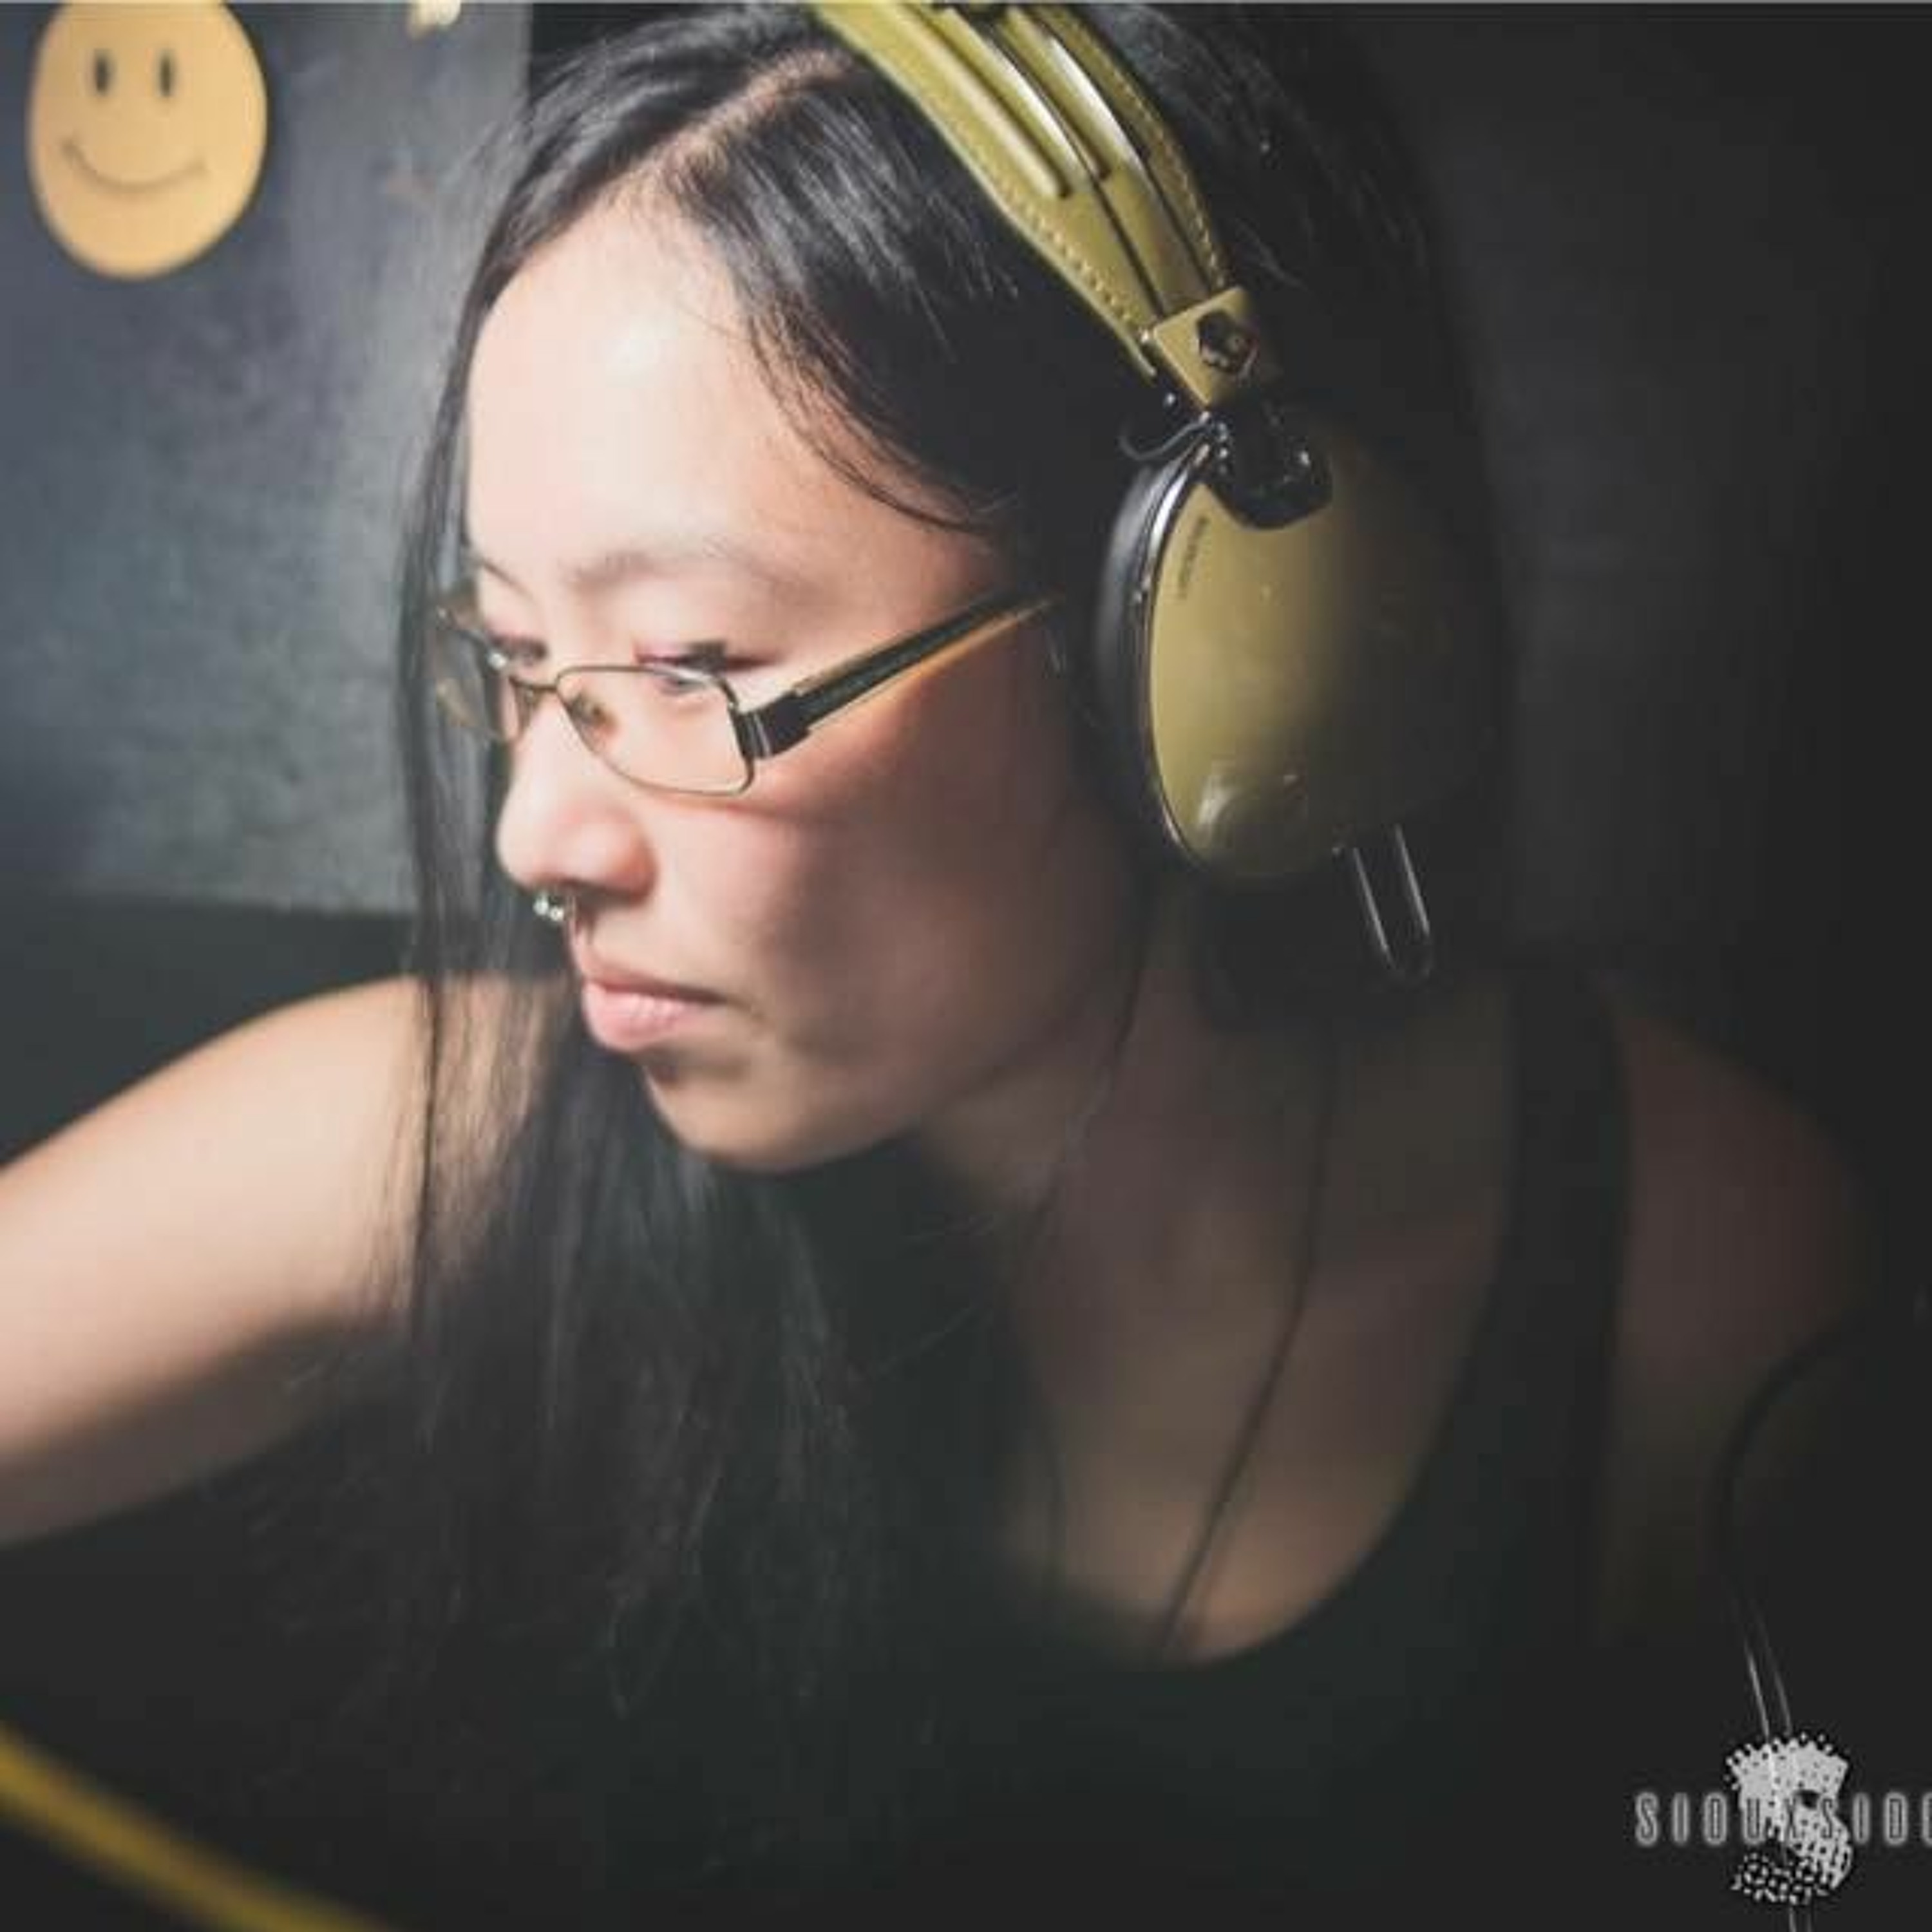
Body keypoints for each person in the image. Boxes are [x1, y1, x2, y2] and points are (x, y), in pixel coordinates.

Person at [0, 6, 1882, 1927]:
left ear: (1219, 646)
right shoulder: (458, 1148)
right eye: (515, 661)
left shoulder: (1702, 1289)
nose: (534, 838)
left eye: (692, 671)